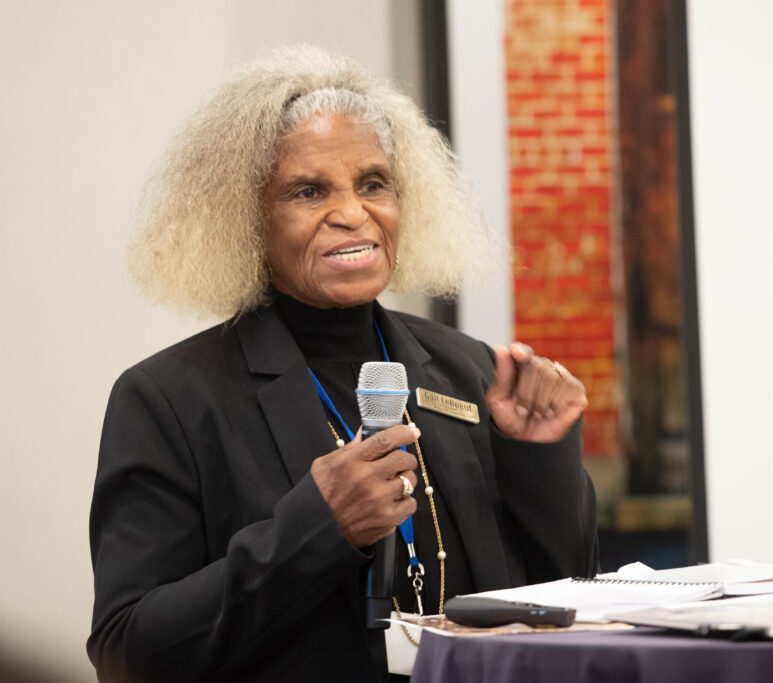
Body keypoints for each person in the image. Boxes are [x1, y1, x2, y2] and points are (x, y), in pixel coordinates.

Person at [88, 45, 598, 682]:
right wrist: (316, 529)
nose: (353, 214)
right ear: (246, 221)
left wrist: (540, 460)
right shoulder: (167, 398)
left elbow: (567, 589)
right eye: (308, 191)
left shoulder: (467, 370)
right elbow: (127, 653)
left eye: (373, 183)